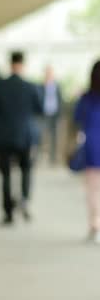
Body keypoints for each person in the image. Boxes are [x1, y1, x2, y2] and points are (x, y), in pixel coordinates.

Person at [0, 51, 43, 224]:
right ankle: (25, 200)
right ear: (23, 64)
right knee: (26, 169)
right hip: (25, 136)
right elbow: (40, 109)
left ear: (10, 64)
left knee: (5, 175)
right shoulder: (31, 86)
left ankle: (8, 213)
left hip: (2, 137)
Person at [74, 60, 100, 243]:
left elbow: (77, 119)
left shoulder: (86, 98)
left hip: (92, 146)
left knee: (93, 190)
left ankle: (95, 225)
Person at [40, 65, 63, 164]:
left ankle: (52, 158)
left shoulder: (57, 86)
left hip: (54, 114)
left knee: (54, 136)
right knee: (43, 136)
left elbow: (60, 100)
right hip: (44, 114)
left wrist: (60, 114)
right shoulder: (41, 86)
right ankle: (41, 156)